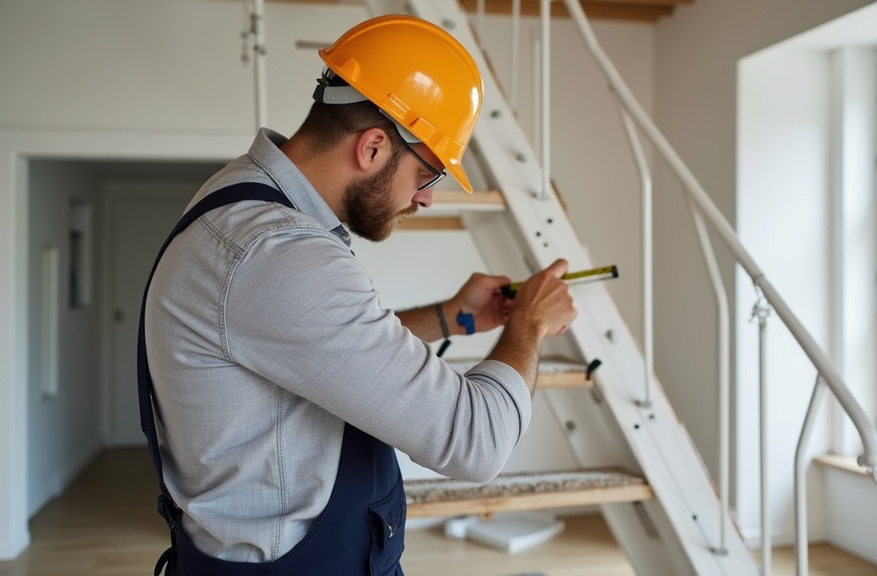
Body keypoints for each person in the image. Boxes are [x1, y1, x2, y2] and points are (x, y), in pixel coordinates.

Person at [137, 14, 577, 576]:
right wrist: (530, 325)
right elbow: (476, 442)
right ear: (372, 147)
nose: (425, 200)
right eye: (429, 174)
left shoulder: (242, 200)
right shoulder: (280, 254)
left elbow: (322, 352)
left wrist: (450, 317)